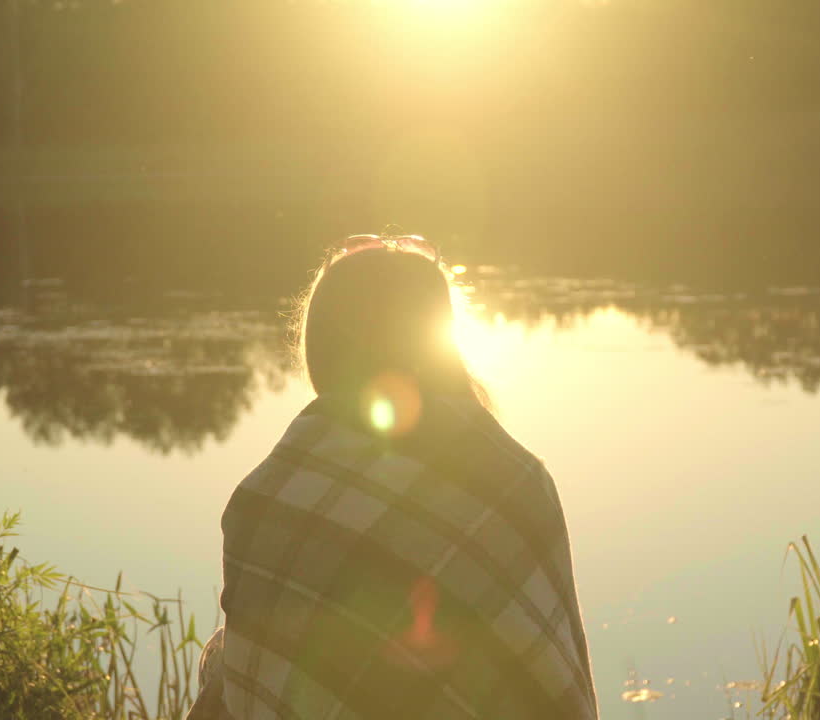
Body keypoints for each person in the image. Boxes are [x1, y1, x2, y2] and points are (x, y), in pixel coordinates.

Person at [189, 233, 598, 719]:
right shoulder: (516, 480)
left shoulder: (265, 496)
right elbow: (550, 683)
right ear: (439, 339)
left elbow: (255, 682)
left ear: (324, 342)